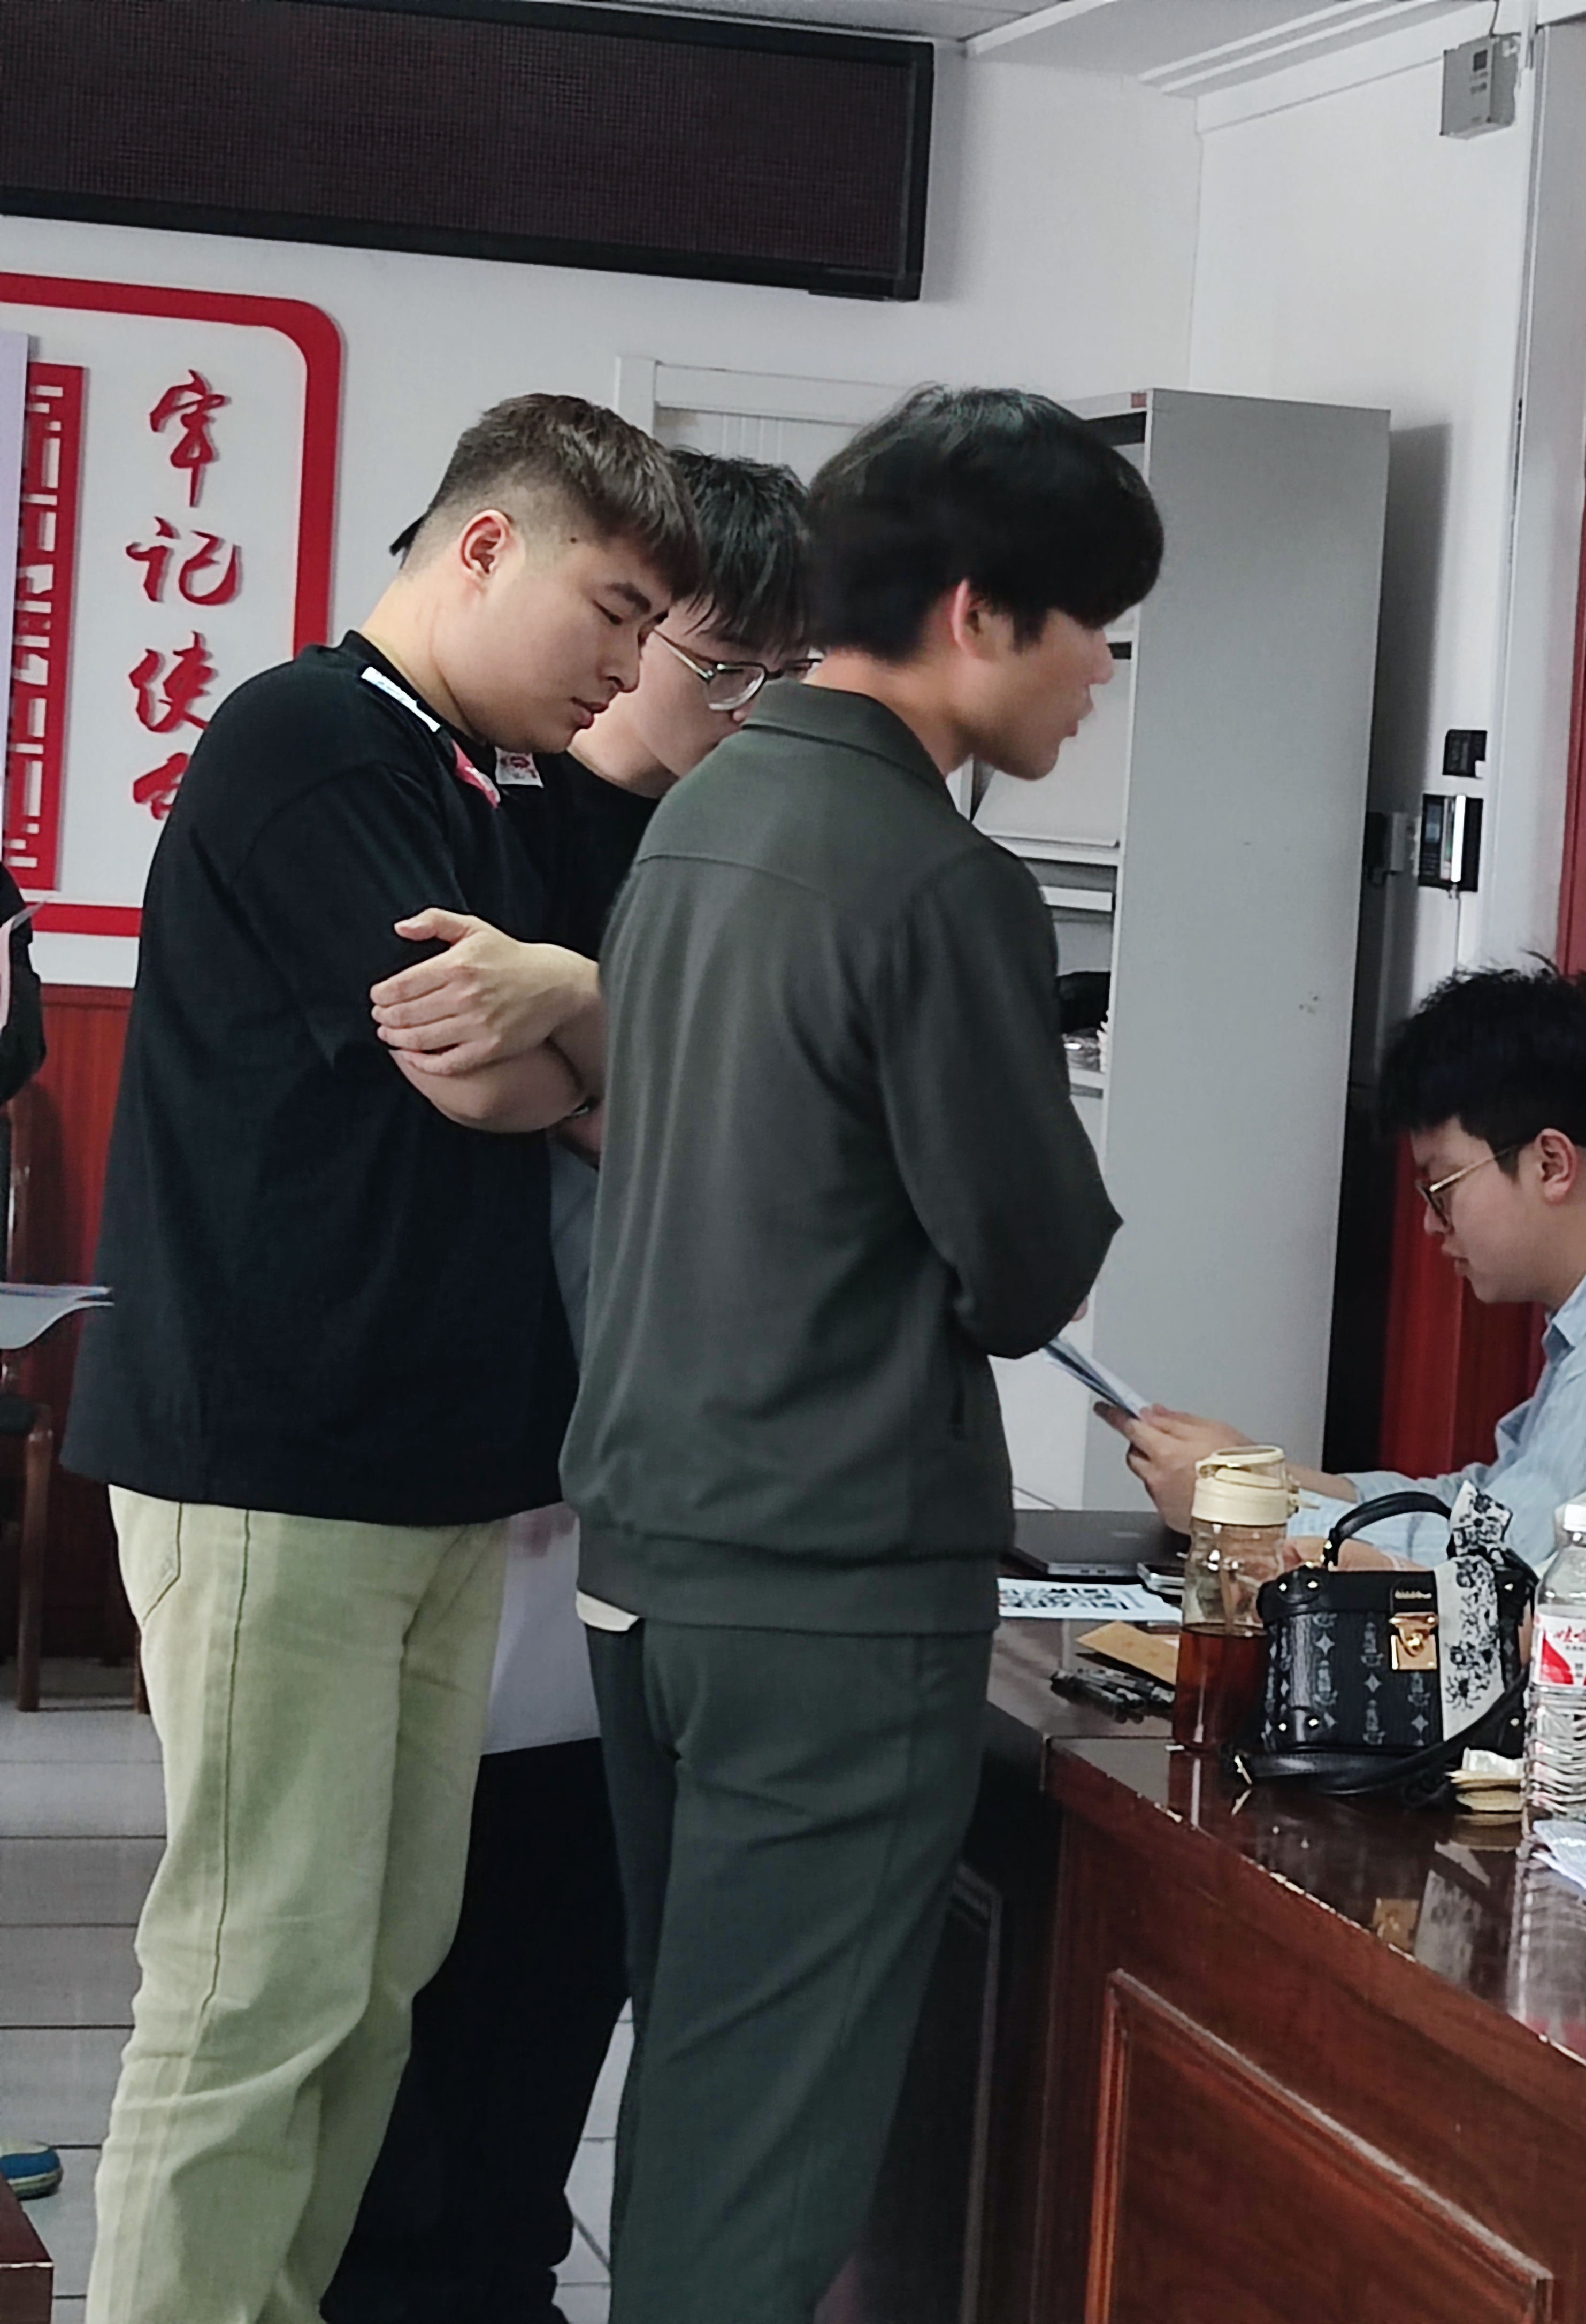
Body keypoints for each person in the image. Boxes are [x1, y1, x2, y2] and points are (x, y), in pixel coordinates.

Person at [66, 394, 697, 2324]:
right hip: (280, 1449)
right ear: (484, 545)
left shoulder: (480, 778)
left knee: (372, 1975)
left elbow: (609, 1073)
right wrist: (580, 1040)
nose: (626, 667)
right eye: (611, 610)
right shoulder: (313, 736)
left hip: (435, 1471)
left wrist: (571, 999)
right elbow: (478, 1067)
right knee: (257, 1973)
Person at [560, 386, 1153, 2324]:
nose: (1099, 677)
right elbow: (1024, 1262)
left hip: (650, 1555)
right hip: (826, 1585)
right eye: (1093, 628)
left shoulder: (708, 809)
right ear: (978, 612)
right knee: (766, 2159)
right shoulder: (935, 876)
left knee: (705, 2083)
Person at [325, 448, 810, 2324]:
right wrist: (629, 1072)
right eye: (710, 656)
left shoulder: (730, 852)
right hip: (477, 1457)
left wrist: (604, 1046)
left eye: (780, 670)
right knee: (426, 1961)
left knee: (555, 1956)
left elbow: (756, 1139)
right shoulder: (493, 814)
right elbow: (507, 1091)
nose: (738, 705)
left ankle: (490, 2268)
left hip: (643, 1477)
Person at [1118, 962, 1586, 1564]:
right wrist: (1267, 1478)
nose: (1431, 1224)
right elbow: (1482, 1503)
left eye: (1442, 1188)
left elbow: (1497, 1562)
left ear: (1551, 1165)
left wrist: (1236, 1513)